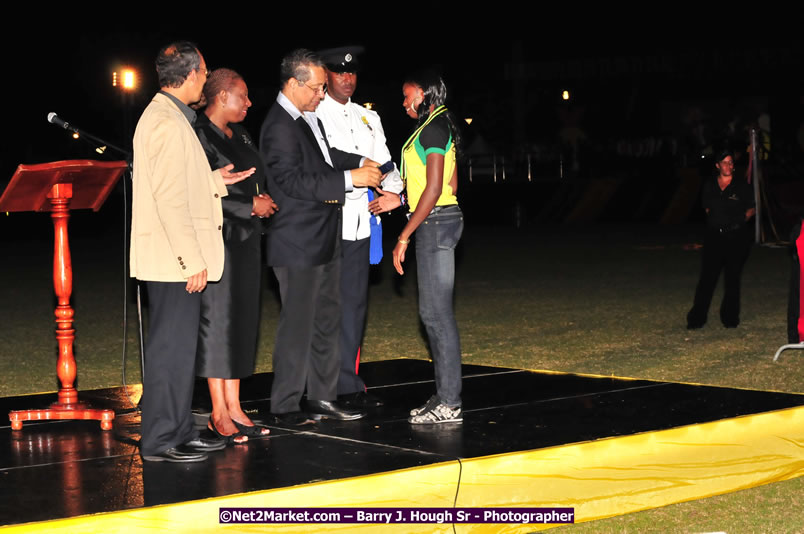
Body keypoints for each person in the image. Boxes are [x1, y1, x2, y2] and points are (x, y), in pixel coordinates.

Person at [130, 42, 254, 462]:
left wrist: (214, 180)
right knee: (170, 351)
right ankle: (161, 440)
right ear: (189, 75)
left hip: (173, 260)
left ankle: (180, 428)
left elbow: (181, 183)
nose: (205, 79)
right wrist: (190, 260)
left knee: (181, 351)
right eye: (203, 73)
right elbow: (168, 199)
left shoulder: (173, 118)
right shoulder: (165, 121)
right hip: (171, 262)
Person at [259, 48, 382, 425]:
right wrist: (350, 180)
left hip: (325, 238)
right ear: (294, 83)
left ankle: (323, 397)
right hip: (297, 244)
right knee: (298, 326)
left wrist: (359, 162)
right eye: (316, 88)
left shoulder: (305, 116)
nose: (321, 95)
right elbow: (291, 181)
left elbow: (326, 158)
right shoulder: (279, 124)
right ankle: (285, 404)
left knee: (328, 319)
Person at [315, 47, 404, 409]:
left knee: (353, 304)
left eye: (352, 74)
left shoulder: (370, 117)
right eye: (339, 73)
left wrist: (394, 192)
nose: (347, 79)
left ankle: (348, 382)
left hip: (362, 224)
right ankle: (321, 382)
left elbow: (387, 164)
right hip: (328, 222)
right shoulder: (314, 114)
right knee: (324, 306)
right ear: (327, 75)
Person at [193, 68, 277, 443]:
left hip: (247, 241)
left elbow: (255, 175)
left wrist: (264, 201)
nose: (248, 102)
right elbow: (197, 192)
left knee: (243, 323)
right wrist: (249, 207)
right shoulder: (197, 135)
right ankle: (217, 412)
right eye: (242, 96)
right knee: (218, 325)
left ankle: (235, 406)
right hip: (218, 240)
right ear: (222, 96)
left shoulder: (240, 133)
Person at [392, 71, 464, 424]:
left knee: (437, 315)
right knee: (432, 314)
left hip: (434, 221)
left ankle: (450, 402)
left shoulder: (433, 127)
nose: (404, 103)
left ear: (423, 94)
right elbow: (451, 180)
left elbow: (435, 188)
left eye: (407, 96)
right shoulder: (439, 125)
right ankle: (444, 396)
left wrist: (404, 235)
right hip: (439, 218)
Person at [687, 149, 755, 329]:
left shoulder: (742, 186)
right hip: (714, 237)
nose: (728, 166)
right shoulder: (710, 185)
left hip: (736, 237)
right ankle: (696, 319)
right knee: (707, 279)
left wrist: (740, 221)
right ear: (717, 166)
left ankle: (730, 318)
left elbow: (751, 208)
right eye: (724, 162)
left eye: (731, 162)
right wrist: (718, 222)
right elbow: (707, 209)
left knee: (732, 279)